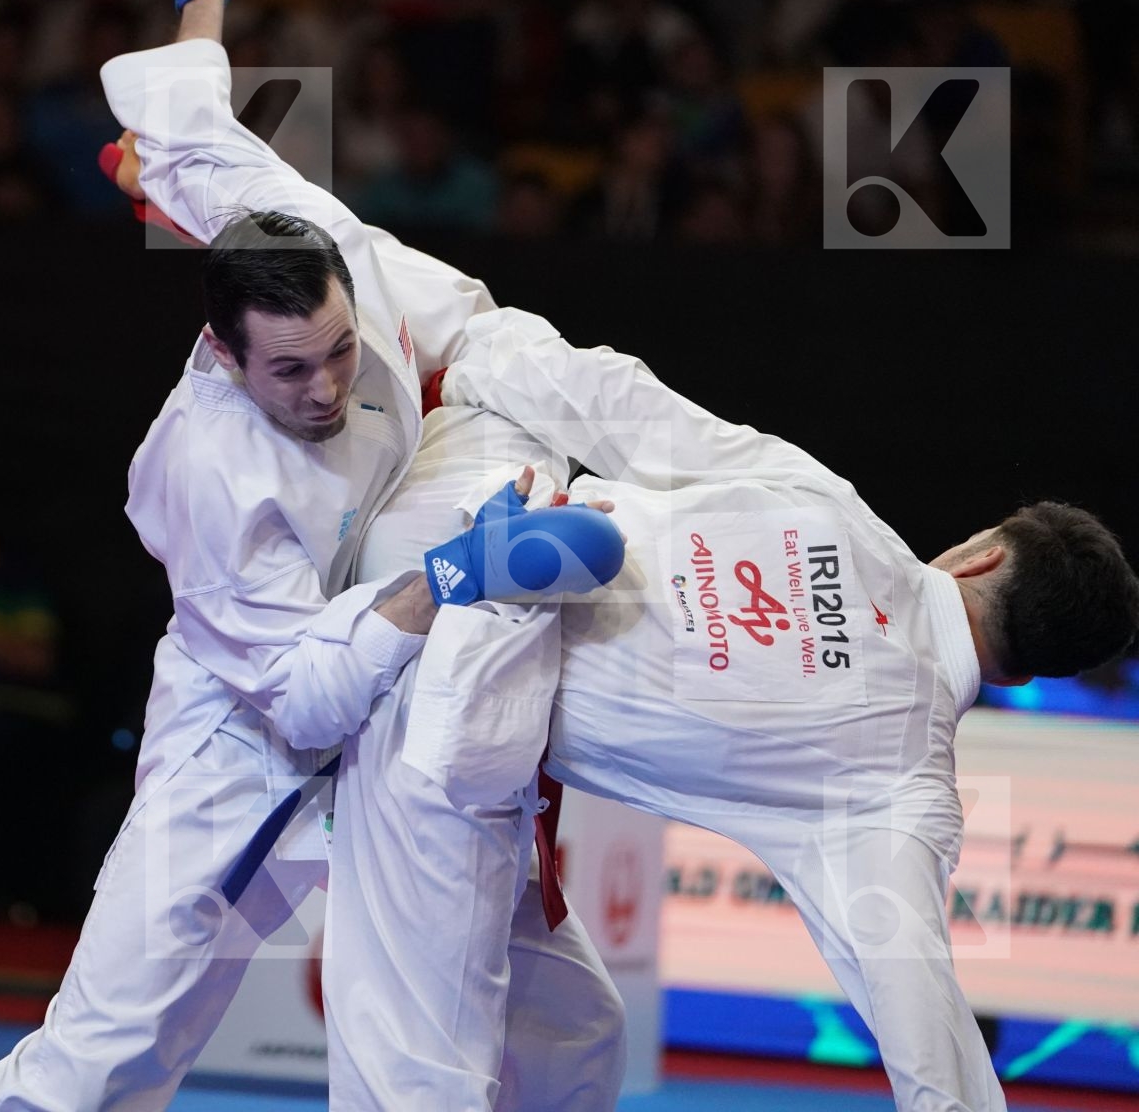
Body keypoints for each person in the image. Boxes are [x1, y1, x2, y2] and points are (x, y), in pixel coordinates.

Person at [0, 0, 628, 1108]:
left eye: (336, 355)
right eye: (289, 375)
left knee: (569, 1016)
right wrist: (459, 576)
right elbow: (304, 692)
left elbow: (184, 133)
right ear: (220, 351)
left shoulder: (323, 250)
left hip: (401, 678)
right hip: (243, 708)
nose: (323, 391)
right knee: (112, 1043)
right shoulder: (211, 478)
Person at [318, 315, 1139, 1110]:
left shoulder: (833, 506)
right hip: (439, 707)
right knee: (428, 1069)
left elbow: (631, 407)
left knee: (579, 1041)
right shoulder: (902, 795)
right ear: (1032, 674)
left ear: (981, 553)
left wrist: (466, 372)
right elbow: (921, 1008)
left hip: (450, 501)